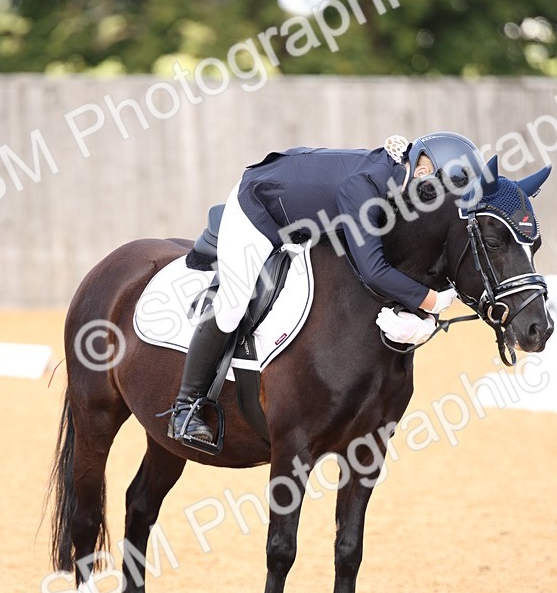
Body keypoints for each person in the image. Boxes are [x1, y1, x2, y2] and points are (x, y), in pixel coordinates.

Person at [167, 131, 486, 448]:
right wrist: (432, 301)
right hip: (260, 210)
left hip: (311, 218)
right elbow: (374, 272)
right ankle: (185, 407)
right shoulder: (366, 187)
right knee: (232, 305)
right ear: (422, 173)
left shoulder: (402, 183)